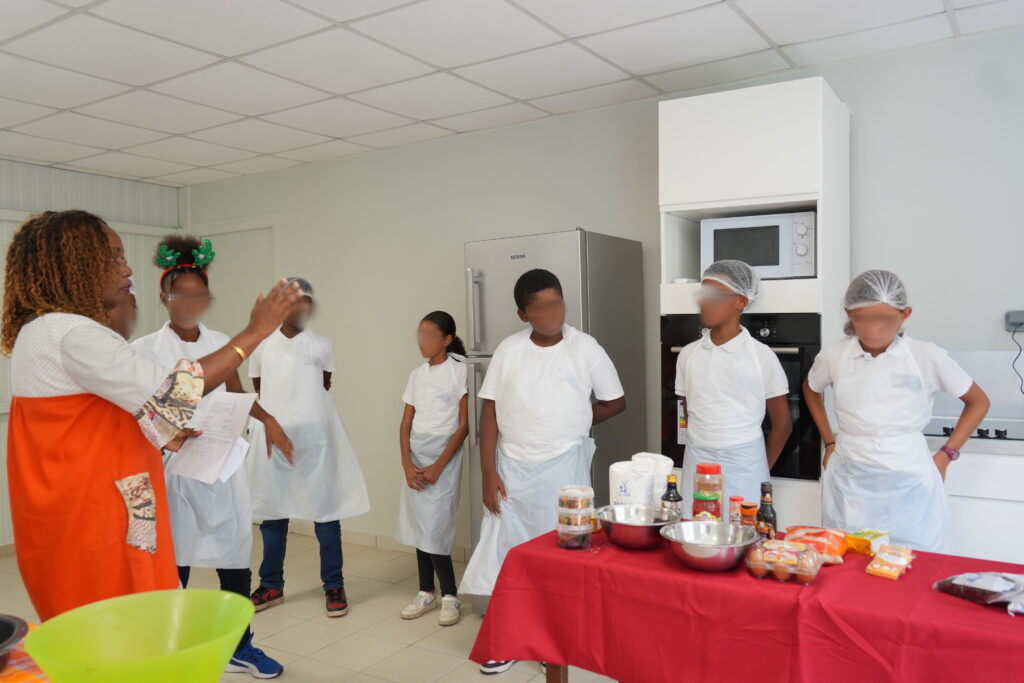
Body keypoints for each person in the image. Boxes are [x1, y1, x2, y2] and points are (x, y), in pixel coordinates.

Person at [2, 210, 301, 622]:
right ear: (74, 265)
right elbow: (172, 395)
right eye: (112, 257)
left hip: (97, 510)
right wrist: (255, 332)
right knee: (129, 629)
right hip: (99, 518)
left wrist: (166, 434)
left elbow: (99, 415)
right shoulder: (72, 333)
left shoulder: (43, 331)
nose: (126, 268)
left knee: (139, 617)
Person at [132, 235, 295, 679]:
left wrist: (269, 420)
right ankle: (168, 650)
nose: (189, 302)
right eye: (180, 294)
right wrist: (170, 432)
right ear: (164, 297)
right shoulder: (145, 350)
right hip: (173, 469)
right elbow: (142, 412)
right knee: (175, 563)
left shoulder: (223, 340)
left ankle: (240, 646)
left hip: (221, 464)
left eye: (198, 294)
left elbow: (237, 393)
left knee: (234, 555)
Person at [459, 268, 625, 676]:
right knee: (509, 556)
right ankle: (510, 640)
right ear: (523, 314)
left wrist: (576, 423)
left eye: (558, 303)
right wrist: (487, 473)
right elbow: (490, 410)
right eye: (543, 307)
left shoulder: (585, 348)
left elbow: (615, 401)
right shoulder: (509, 350)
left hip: (565, 467)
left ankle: (560, 640)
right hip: (512, 469)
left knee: (564, 555)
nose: (554, 313)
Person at [804, 270, 989, 552]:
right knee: (850, 561)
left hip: (909, 480)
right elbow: (811, 388)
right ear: (848, 313)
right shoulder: (835, 355)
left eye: (885, 319)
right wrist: (829, 441)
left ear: (905, 314)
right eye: (863, 318)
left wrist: (946, 455)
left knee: (914, 565)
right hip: (851, 475)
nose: (873, 328)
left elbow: (978, 401)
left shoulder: (927, 356)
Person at [247, 278, 370, 618]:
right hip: (273, 440)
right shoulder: (261, 345)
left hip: (316, 443)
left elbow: (324, 384)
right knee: (273, 516)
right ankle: (271, 585)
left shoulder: (321, 344)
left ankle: (334, 584)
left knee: (326, 514)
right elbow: (260, 388)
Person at [674, 260, 792, 510]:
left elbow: (782, 424)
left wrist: (757, 467)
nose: (703, 302)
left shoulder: (761, 357)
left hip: (745, 464)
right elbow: (689, 412)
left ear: (741, 301)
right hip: (698, 460)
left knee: (745, 536)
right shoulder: (688, 355)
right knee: (698, 533)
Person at [396, 311, 469, 627]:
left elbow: (464, 424)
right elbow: (405, 424)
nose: (421, 341)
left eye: (428, 335)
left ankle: (450, 595)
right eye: (419, 334)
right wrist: (407, 464)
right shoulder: (417, 375)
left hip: (445, 457)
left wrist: (439, 466)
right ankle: (426, 591)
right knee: (419, 525)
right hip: (416, 455)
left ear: (446, 340)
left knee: (436, 525)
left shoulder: (461, 372)